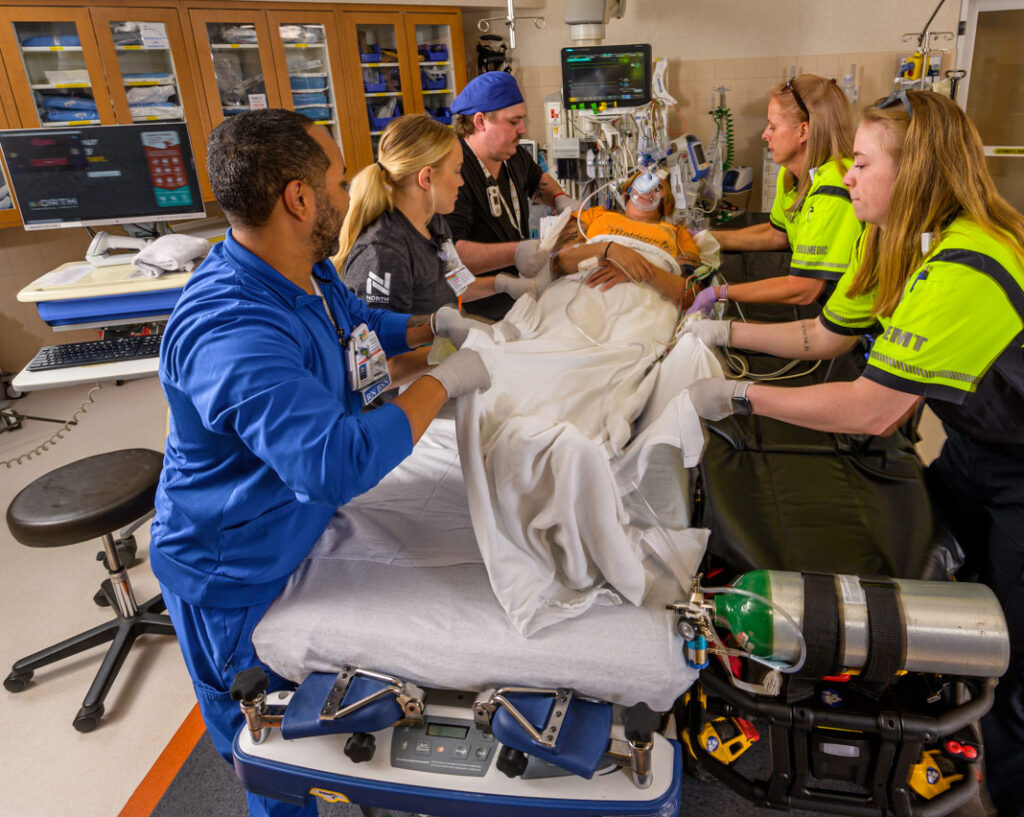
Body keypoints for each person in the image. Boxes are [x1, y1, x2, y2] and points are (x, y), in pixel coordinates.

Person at [683, 90, 1024, 817]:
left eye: (864, 164)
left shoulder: (965, 263)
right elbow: (825, 336)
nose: (849, 177)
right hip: (976, 447)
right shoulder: (907, 239)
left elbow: (875, 409)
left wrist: (743, 399)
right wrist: (721, 336)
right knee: (945, 602)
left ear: (917, 173)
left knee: (1011, 659)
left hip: (1018, 469)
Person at [150, 109, 492, 817]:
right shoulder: (231, 328)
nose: (348, 188)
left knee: (314, 727)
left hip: (296, 531)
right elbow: (333, 461)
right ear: (298, 198)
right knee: (272, 753)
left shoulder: (303, 272)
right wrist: (441, 384)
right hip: (231, 571)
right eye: (335, 176)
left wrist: (430, 328)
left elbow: (355, 332)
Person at [688, 74, 862, 314]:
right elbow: (775, 235)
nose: (764, 134)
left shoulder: (834, 187)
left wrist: (720, 294)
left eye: (773, 126)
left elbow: (804, 289)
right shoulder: (791, 175)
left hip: (845, 316)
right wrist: (704, 238)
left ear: (803, 131)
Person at [334, 114, 529, 315]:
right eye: (456, 171)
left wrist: (502, 284)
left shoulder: (434, 224)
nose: (461, 182)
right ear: (426, 178)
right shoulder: (383, 251)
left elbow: (455, 284)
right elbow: (383, 337)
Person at [445, 71, 578, 320]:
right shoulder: (454, 170)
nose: (523, 129)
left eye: (522, 120)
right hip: (476, 309)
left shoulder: (512, 154)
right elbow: (452, 255)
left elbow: (536, 180)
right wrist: (514, 253)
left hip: (521, 301)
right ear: (480, 121)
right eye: (513, 122)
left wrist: (560, 198)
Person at [552, 167, 703, 309]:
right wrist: (608, 249)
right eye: (641, 183)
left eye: (658, 188)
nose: (647, 190)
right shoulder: (596, 215)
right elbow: (559, 262)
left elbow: (692, 295)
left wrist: (639, 272)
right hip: (584, 296)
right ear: (626, 194)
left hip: (643, 304)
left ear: (668, 205)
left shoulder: (677, 234)